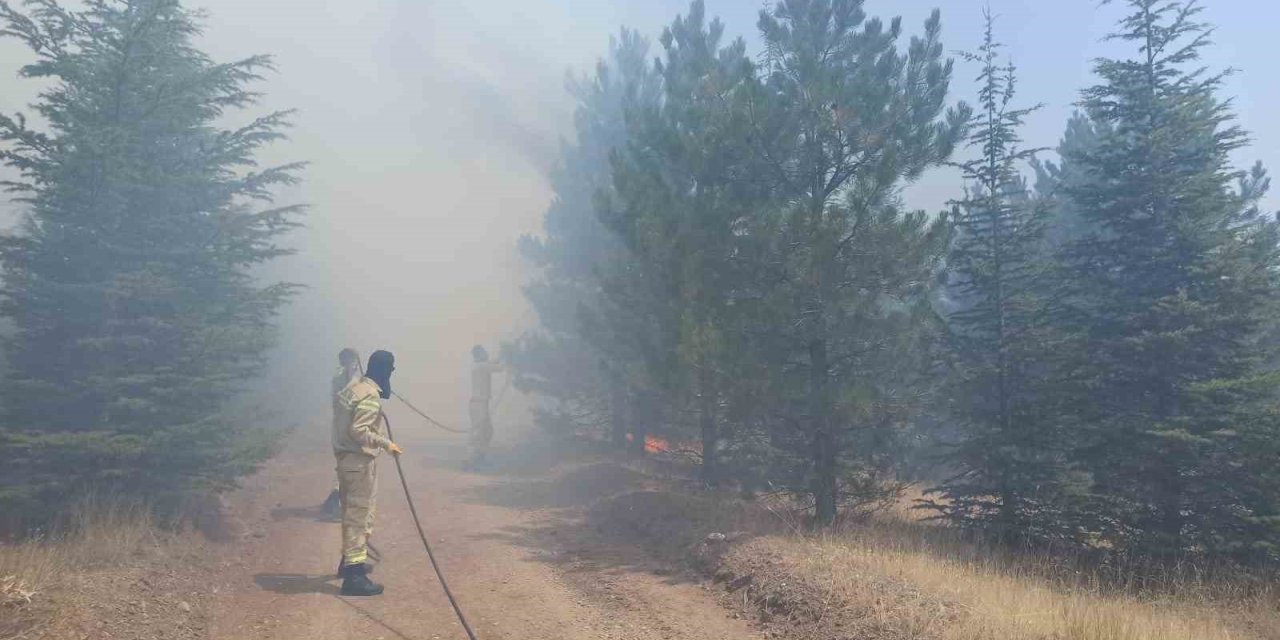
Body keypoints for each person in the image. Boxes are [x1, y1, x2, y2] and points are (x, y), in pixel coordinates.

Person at [333, 350, 404, 596]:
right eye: (391, 369)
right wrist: (386, 443)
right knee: (359, 517)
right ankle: (354, 577)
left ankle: (349, 561)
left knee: (351, 513)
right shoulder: (370, 396)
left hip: (345, 460)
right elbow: (359, 430)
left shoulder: (354, 388)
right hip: (359, 462)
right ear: (384, 370)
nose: (392, 373)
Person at [321, 348, 362, 521]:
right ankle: (337, 503)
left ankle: (336, 500)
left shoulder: (360, 379)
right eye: (348, 360)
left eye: (353, 360)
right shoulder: (340, 379)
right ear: (343, 362)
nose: (351, 364)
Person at [467, 345, 505, 468]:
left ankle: (479, 458)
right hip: (479, 404)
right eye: (484, 352)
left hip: (479, 404)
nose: (486, 353)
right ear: (479, 355)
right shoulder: (482, 366)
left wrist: (503, 354)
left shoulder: (480, 365)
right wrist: (509, 357)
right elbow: (500, 368)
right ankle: (476, 460)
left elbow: (494, 361)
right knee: (481, 432)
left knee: (487, 431)